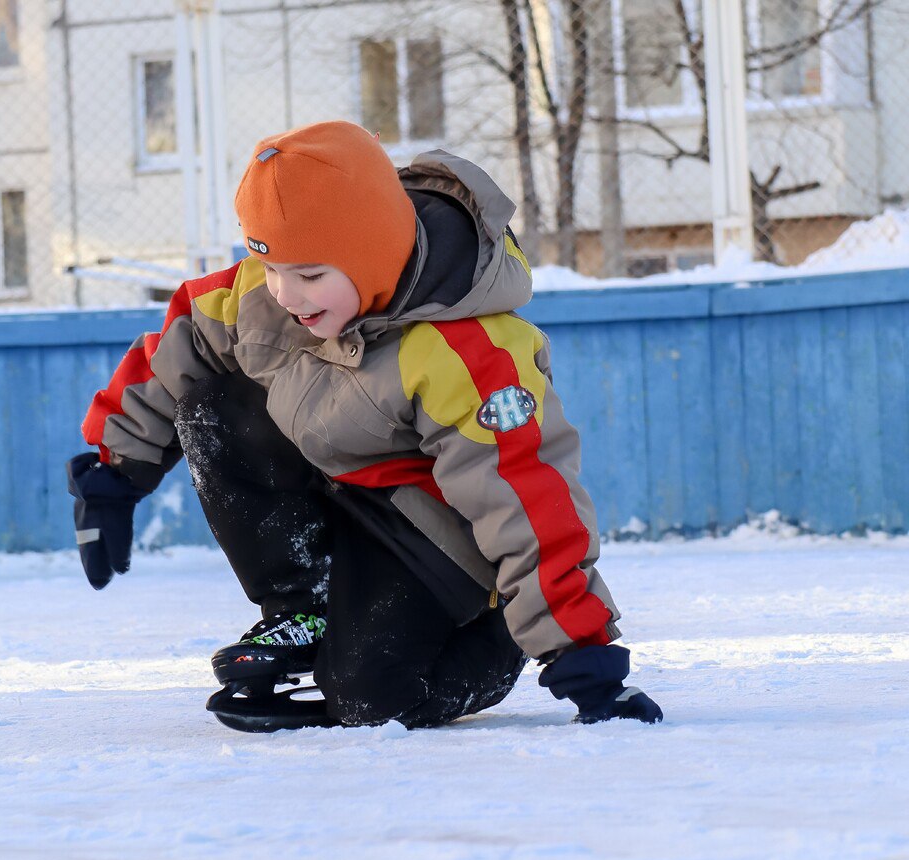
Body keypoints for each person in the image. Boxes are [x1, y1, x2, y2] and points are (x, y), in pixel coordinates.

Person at [67, 120, 662, 732]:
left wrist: (581, 652)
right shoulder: (273, 297)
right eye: (270, 267)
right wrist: (113, 474)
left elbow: (524, 498)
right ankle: (309, 608)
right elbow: (181, 337)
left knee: (373, 702)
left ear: (372, 249)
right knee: (214, 405)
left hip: (439, 547)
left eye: (310, 274)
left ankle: (482, 647)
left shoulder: (466, 350)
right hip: (347, 503)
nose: (286, 294)